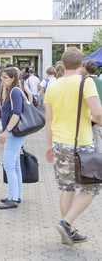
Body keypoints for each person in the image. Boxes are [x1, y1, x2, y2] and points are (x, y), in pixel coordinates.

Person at [45, 47, 102, 246]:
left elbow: (49, 119)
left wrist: (49, 145)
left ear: (62, 62)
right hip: (81, 143)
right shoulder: (86, 82)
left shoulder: (53, 86)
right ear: (81, 64)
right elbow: (98, 114)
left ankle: (68, 232)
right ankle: (66, 222)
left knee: (67, 187)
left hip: (59, 143)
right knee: (93, 187)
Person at [0, 67, 26, 209]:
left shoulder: (15, 91)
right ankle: (16, 195)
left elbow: (16, 113)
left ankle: (13, 198)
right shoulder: (14, 90)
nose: (2, 80)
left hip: (14, 133)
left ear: (13, 78)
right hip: (17, 133)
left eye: (5, 78)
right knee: (14, 166)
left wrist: (6, 131)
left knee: (9, 165)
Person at [83, 60, 102, 153]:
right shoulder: (100, 82)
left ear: (85, 69)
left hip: (86, 116)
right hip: (99, 115)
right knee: (98, 139)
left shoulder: (83, 82)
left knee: (87, 140)